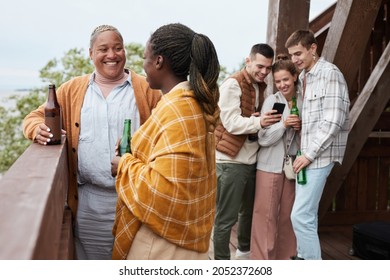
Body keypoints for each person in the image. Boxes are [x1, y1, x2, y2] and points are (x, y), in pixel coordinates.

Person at [23, 25, 161, 260]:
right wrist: (37, 130)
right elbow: (33, 117)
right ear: (90, 54)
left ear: (125, 51)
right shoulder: (74, 89)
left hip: (136, 198)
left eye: (118, 48)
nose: (112, 55)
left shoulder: (147, 90)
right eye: (103, 49)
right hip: (89, 203)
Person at [110, 23, 220, 260]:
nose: (142, 65)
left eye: (145, 58)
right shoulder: (191, 101)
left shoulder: (178, 108)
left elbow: (163, 191)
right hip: (185, 235)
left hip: (163, 245)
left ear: (158, 61)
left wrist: (123, 165)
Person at [285, 29, 350, 260]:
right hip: (308, 154)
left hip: (319, 155)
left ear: (313, 48)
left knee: (300, 216)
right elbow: (317, 117)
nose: (295, 60)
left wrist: (308, 154)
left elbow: (334, 119)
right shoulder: (304, 77)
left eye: (298, 53)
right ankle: (304, 259)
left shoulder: (330, 74)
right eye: (292, 55)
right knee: (307, 216)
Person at [213, 43, 280, 260]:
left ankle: (243, 256)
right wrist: (260, 122)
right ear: (248, 61)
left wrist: (258, 119)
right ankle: (221, 264)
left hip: (251, 160)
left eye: (268, 68)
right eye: (260, 66)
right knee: (226, 219)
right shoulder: (232, 84)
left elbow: (247, 117)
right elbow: (231, 123)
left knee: (248, 213)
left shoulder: (259, 86)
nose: (264, 72)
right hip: (231, 161)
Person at [250, 55, 301, 260]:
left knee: (288, 217)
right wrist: (284, 125)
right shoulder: (274, 102)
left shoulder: (303, 101)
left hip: (292, 167)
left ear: (295, 77)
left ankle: (286, 260)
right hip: (269, 166)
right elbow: (263, 138)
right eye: (278, 81)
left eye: (285, 80)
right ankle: (262, 263)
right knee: (265, 217)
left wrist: (301, 128)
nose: (282, 85)